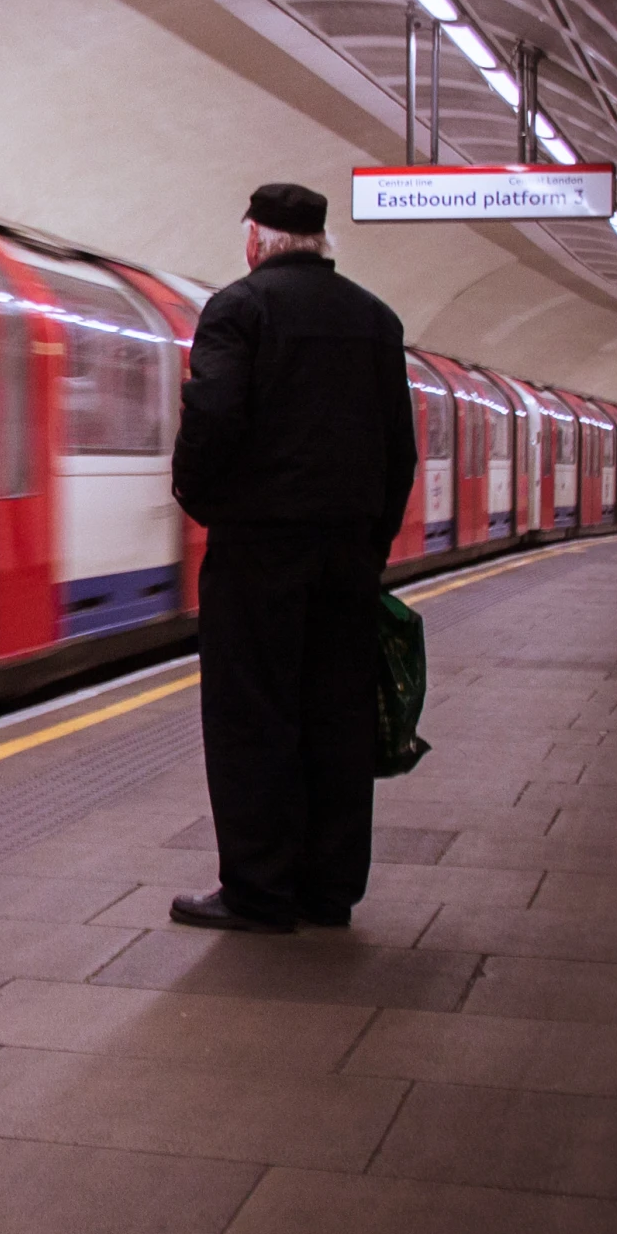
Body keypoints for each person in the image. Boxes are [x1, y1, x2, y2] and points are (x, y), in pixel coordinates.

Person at [170, 182, 418, 934]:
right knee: (336, 711)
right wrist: (369, 539)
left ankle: (258, 889)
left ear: (255, 238)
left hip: (258, 545)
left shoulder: (239, 309)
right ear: (318, 240)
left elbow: (213, 413)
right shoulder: (375, 320)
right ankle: (328, 887)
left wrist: (204, 499)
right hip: (346, 549)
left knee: (254, 713)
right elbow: (397, 447)